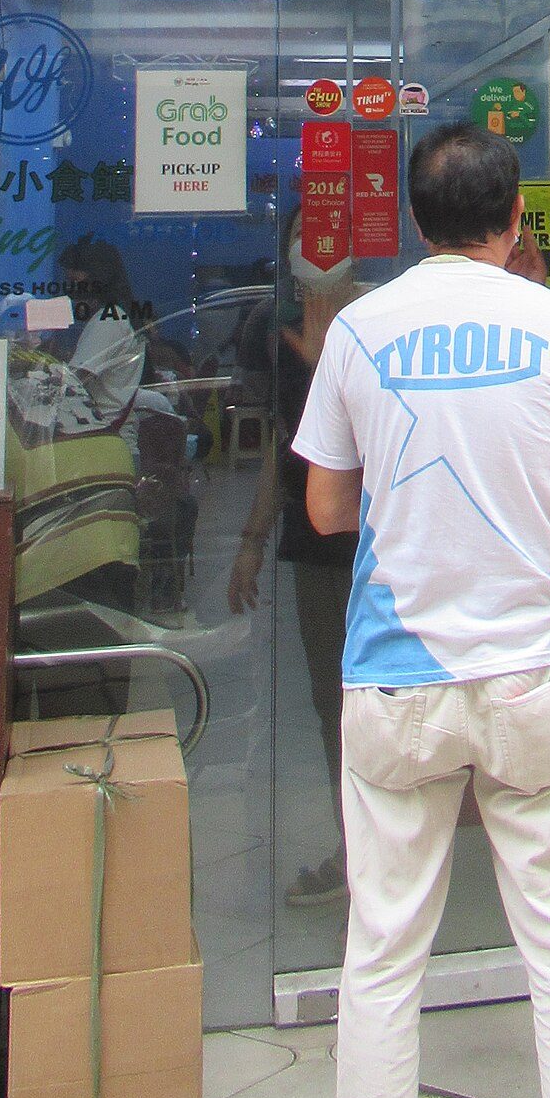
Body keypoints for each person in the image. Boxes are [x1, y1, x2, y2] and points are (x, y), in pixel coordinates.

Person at [292, 124, 550, 1098]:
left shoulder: (359, 328)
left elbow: (325, 508)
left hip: (398, 679)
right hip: (538, 671)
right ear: (518, 216)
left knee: (383, 959)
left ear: (412, 219)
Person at [228, 241, 362, 909]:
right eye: (304, 233)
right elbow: (284, 447)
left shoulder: (381, 318)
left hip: (388, 542)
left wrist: (326, 367)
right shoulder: (271, 327)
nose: (318, 247)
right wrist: (252, 539)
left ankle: (399, 856)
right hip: (317, 547)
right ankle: (356, 851)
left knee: (401, 702)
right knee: (335, 704)